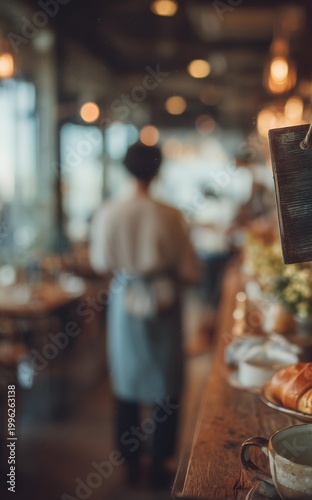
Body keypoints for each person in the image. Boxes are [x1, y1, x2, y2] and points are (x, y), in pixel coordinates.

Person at [89, 141, 200, 489]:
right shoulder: (171, 213)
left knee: (126, 381)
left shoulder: (109, 211)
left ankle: (130, 464)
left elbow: (99, 263)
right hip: (164, 298)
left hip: (126, 298)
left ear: (125, 168)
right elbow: (190, 269)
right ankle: (159, 465)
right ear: (158, 170)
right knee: (166, 384)